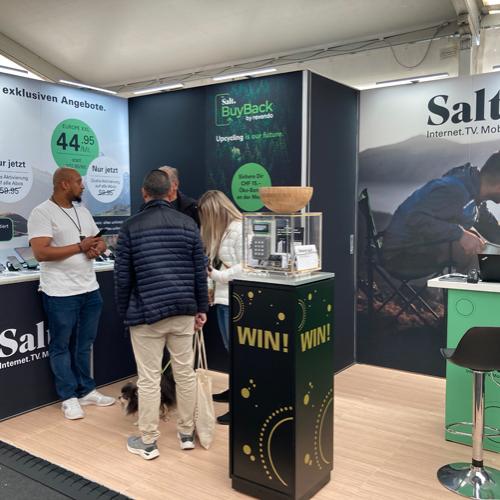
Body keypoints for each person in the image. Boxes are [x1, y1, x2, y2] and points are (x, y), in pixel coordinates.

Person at [114, 169, 208, 460]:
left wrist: (124, 312)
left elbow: (122, 278)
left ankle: (148, 442)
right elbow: (199, 272)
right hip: (183, 310)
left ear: (144, 193)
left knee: (148, 379)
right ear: (170, 193)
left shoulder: (130, 227)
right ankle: (186, 434)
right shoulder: (188, 224)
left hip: (145, 314)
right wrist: (201, 308)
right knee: (185, 374)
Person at [28, 167, 115, 420]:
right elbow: (41, 253)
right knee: (60, 345)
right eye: (78, 182)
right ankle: (68, 397)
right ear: (64, 184)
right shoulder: (41, 212)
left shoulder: (83, 211)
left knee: (84, 344)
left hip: (90, 289)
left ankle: (86, 390)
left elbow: (99, 240)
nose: (82, 186)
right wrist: (80, 246)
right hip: (60, 292)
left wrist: (96, 248)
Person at [382, 152, 500, 276]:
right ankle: (468, 288)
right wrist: (460, 235)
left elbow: (489, 226)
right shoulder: (454, 190)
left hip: (424, 245)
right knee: (473, 251)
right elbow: (415, 218)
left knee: (479, 242)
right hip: (401, 254)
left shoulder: (474, 192)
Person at [198, 190, 243, 426]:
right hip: (224, 299)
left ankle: (240, 402)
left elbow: (246, 266)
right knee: (231, 351)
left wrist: (216, 276)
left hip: (234, 299)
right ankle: (234, 390)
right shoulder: (224, 231)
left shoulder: (238, 229)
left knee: (237, 353)